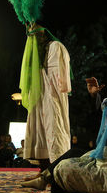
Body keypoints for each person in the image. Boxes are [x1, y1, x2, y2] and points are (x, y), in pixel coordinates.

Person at [16, 24, 72, 172]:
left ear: (43, 35)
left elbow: (58, 80)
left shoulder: (55, 47)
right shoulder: (37, 55)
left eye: (36, 37)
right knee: (38, 131)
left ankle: (55, 174)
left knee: (53, 129)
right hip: (39, 97)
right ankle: (43, 172)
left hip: (51, 97)